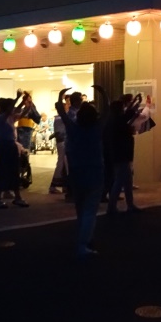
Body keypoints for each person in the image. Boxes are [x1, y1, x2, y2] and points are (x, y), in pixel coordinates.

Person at [56, 89, 103, 256]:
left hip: (77, 172)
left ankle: (84, 239)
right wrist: (104, 95)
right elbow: (107, 113)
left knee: (80, 208)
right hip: (95, 172)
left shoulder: (73, 129)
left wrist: (61, 97)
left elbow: (62, 112)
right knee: (90, 210)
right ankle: (83, 243)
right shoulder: (97, 129)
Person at [0, 98, 28, 209]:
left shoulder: (9, 117)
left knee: (14, 171)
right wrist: (17, 99)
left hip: (11, 145)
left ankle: (17, 197)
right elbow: (10, 112)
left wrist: (26, 105)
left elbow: (20, 114)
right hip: (3, 146)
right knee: (2, 171)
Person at [106, 97, 141, 214]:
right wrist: (136, 103)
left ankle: (128, 205)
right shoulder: (118, 120)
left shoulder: (113, 120)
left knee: (126, 181)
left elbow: (128, 114)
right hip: (122, 154)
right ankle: (113, 206)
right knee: (121, 180)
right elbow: (128, 115)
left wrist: (135, 103)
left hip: (119, 154)